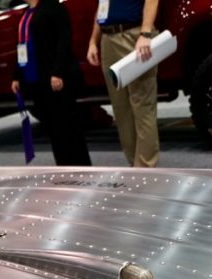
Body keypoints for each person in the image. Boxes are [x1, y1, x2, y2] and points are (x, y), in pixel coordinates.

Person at [11, 0, 92, 166]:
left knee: (68, 127)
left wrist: (58, 72)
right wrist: (17, 75)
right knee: (54, 130)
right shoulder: (26, 14)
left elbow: (64, 41)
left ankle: (80, 166)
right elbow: (22, 47)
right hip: (37, 81)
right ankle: (63, 167)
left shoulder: (54, 7)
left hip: (56, 78)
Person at [86, 0, 160, 167]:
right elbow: (102, 8)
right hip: (108, 38)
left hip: (134, 36)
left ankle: (146, 168)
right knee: (121, 108)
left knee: (142, 104)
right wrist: (93, 41)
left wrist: (145, 33)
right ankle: (134, 166)